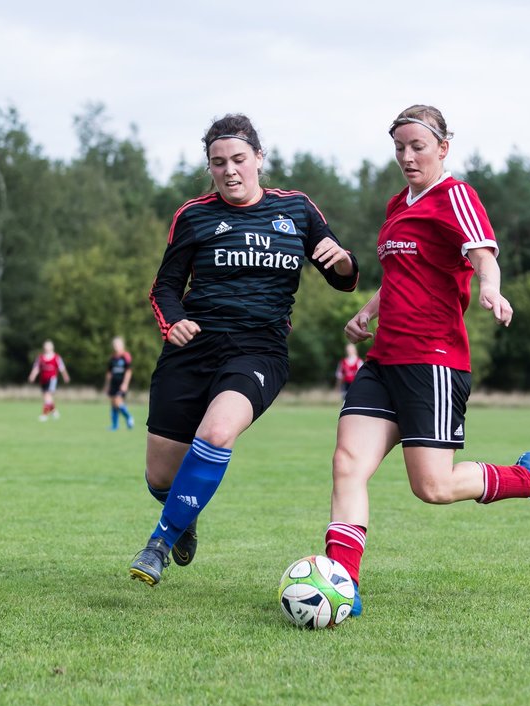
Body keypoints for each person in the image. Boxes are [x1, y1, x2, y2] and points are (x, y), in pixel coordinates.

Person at [321, 105, 530, 619]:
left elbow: (484, 255)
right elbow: (399, 277)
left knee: (431, 487)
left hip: (433, 360)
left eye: (417, 146)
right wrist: (367, 311)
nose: (407, 156)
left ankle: (529, 477)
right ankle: (341, 584)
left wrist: (491, 291)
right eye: (399, 148)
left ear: (442, 148)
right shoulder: (396, 205)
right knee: (347, 464)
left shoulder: (455, 195)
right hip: (384, 358)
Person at [129, 113, 360, 586]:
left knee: (216, 434)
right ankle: (182, 513)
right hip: (192, 349)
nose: (230, 170)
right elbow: (165, 288)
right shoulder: (193, 215)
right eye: (218, 162)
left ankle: (159, 544)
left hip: (259, 350)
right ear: (209, 168)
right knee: (160, 478)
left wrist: (345, 261)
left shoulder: (296, 210)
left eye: (238, 159)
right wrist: (172, 322)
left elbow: (343, 279)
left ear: (259, 158)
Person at [27, 340, 70, 421]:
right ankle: (54, 411)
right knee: (46, 397)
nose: (47, 348)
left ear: (52, 347)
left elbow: (62, 368)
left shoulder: (56, 357)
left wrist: (65, 376)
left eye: (48, 346)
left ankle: (44, 415)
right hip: (43, 379)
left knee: (48, 396)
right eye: (46, 346)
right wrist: (32, 376)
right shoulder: (40, 358)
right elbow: (36, 368)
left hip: (52, 379)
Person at [104, 336, 135, 431]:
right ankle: (115, 425)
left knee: (118, 401)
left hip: (121, 384)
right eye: (114, 344)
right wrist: (107, 385)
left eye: (118, 344)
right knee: (113, 403)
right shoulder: (112, 358)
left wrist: (125, 384)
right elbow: (109, 373)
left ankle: (129, 417)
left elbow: (129, 371)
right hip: (113, 384)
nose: (116, 346)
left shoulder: (126, 356)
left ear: (122, 345)